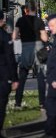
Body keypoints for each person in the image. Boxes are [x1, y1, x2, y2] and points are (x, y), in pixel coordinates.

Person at [12, 1, 48, 109]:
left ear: (25, 10)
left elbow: (14, 36)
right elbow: (45, 38)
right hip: (38, 48)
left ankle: (18, 102)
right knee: (41, 77)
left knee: (22, 77)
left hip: (26, 48)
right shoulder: (39, 21)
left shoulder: (20, 20)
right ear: (35, 9)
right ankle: (42, 103)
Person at [0, 10, 18, 138]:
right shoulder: (5, 36)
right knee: (1, 106)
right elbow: (10, 58)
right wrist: (15, 78)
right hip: (3, 76)